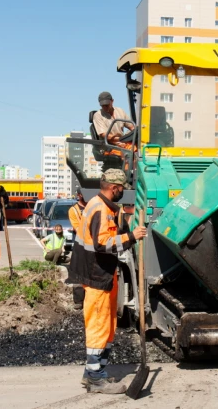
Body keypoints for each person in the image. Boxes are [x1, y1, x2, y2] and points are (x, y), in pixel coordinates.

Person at [70, 169, 147, 394]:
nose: (123, 192)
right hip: (95, 276)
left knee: (108, 326)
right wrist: (131, 237)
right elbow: (102, 243)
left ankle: (93, 373)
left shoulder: (102, 206)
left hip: (102, 273)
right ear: (114, 188)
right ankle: (96, 379)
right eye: (122, 188)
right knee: (98, 327)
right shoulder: (100, 209)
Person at [68, 186, 87, 310]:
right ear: (79, 195)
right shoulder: (73, 210)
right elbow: (77, 227)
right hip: (80, 244)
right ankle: (79, 300)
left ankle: (89, 299)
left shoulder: (93, 206)